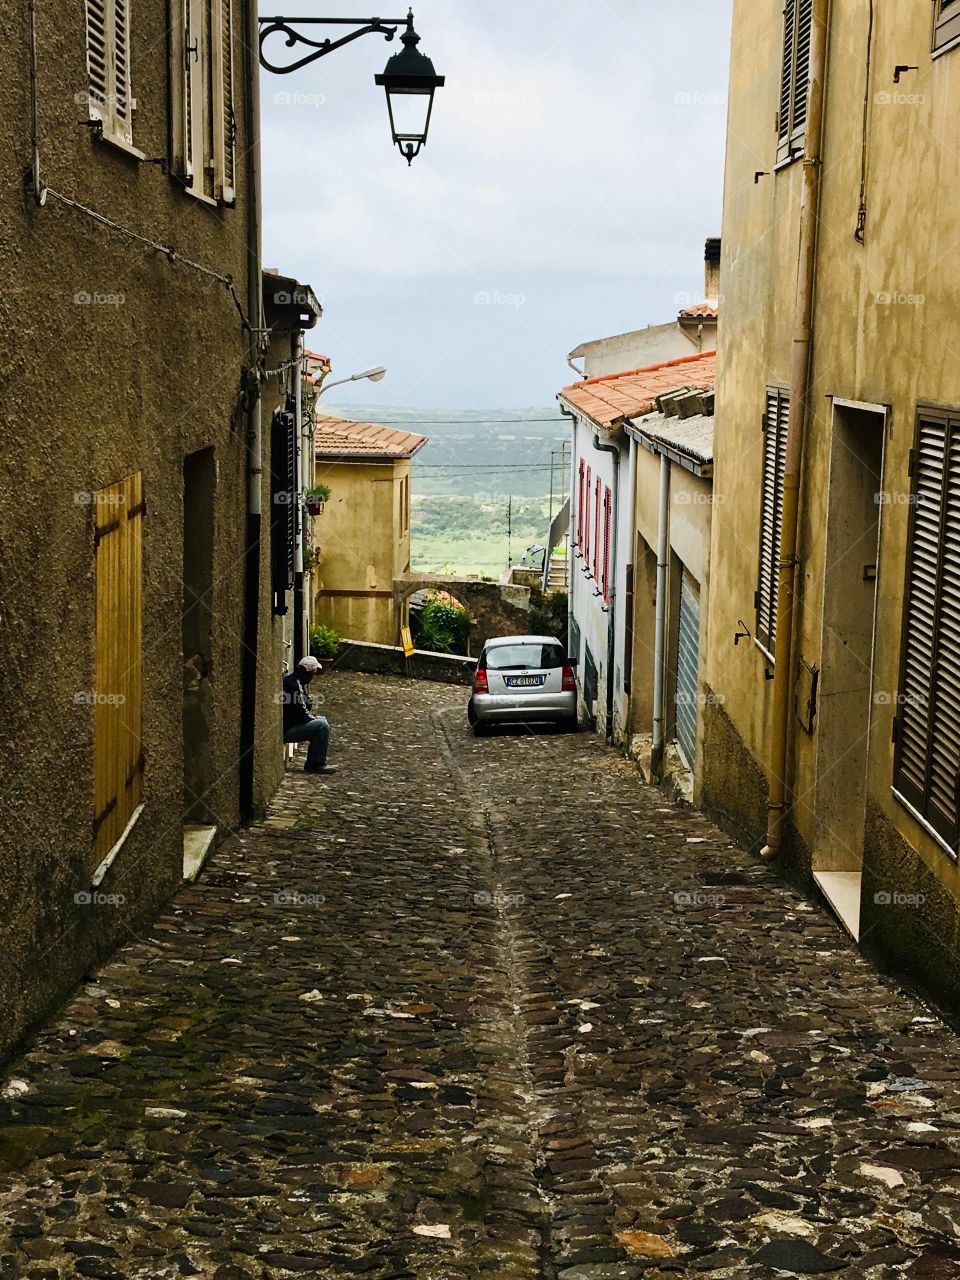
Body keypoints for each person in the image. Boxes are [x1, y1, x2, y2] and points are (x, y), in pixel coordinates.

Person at [282, 656, 337, 774]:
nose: (314, 676)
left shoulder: (294, 681)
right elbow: (303, 714)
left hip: (290, 724)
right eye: (314, 673)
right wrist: (313, 718)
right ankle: (315, 764)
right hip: (287, 730)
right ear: (307, 673)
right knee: (322, 726)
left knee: (321, 720)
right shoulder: (295, 685)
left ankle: (316, 760)